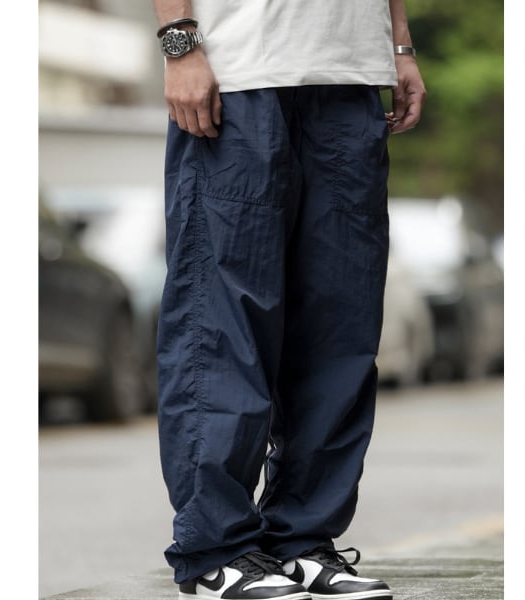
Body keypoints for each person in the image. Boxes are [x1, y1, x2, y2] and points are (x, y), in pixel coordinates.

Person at [153, 2, 426, 600]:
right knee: (221, 321)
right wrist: (179, 43)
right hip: (238, 74)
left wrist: (399, 46)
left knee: (340, 325)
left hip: (351, 74)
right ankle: (217, 547)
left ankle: (303, 539)